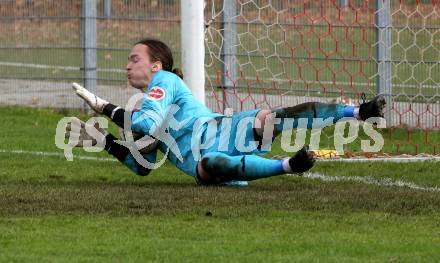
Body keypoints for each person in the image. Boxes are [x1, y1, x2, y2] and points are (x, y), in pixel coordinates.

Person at [66, 38, 386, 186]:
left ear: (156, 65)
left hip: (224, 129)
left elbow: (145, 122)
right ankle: (289, 165)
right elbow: (143, 167)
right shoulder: (146, 107)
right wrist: (105, 141)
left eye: (134, 58)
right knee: (210, 163)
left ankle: (357, 111)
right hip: (208, 162)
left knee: (266, 118)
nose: (127, 65)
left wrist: (102, 106)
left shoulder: (163, 82)